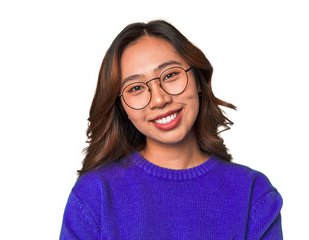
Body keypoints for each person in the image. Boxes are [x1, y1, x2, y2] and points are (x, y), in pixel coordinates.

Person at [60, 20, 283, 239]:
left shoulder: (253, 194)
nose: (159, 99)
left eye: (170, 75)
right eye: (136, 88)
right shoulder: (95, 195)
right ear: (122, 107)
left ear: (197, 79)